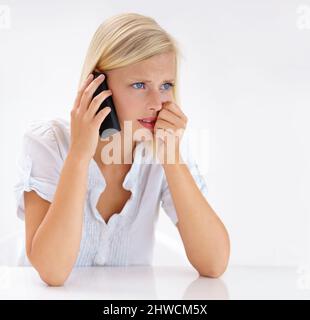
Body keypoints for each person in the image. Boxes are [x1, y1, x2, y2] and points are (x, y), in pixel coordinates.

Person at [14, 13, 230, 286]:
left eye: (166, 85)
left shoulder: (166, 147)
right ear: (98, 86)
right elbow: (53, 273)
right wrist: (80, 155)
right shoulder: (48, 142)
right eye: (139, 85)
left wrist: (171, 158)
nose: (156, 102)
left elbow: (214, 263)